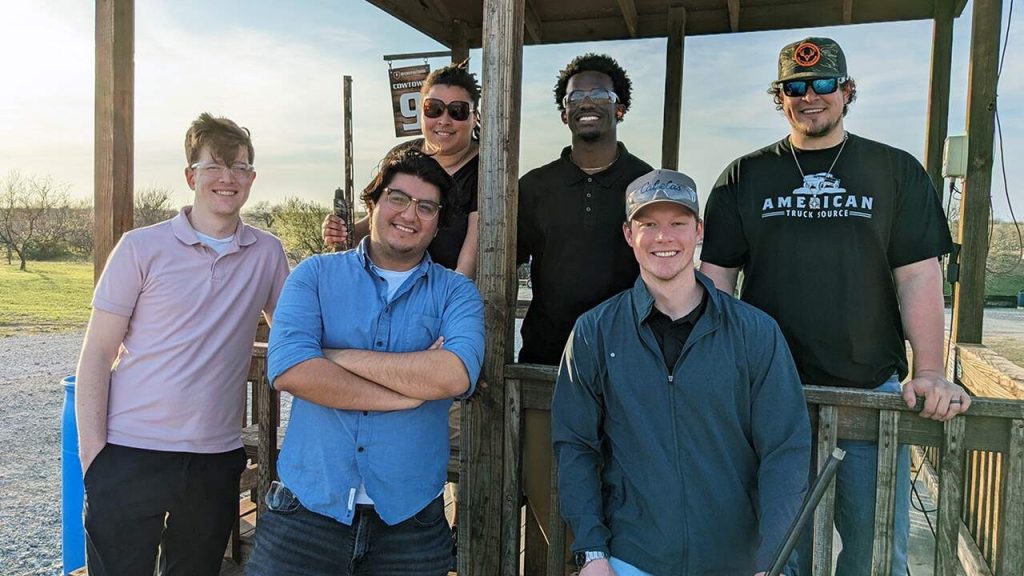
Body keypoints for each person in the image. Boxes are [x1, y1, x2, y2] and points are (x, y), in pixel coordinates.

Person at [700, 37, 968, 575]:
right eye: (795, 87)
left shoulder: (895, 171)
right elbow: (714, 286)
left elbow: (918, 276)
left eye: (824, 84)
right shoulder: (743, 177)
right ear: (780, 98)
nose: (810, 96)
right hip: (770, 401)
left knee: (874, 556)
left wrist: (932, 371)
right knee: (777, 554)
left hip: (869, 395)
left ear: (847, 92)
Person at [552, 168, 810, 576]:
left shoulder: (755, 332)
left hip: (738, 564)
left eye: (678, 223)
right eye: (648, 224)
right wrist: (592, 552)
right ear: (627, 234)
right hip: (630, 560)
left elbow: (785, 450)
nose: (663, 237)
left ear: (699, 231)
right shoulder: (594, 332)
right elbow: (575, 446)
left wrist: (772, 560)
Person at [247, 146, 485, 575]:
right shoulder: (314, 275)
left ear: (437, 224)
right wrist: (407, 393)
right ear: (373, 203)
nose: (409, 215)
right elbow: (290, 368)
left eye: (426, 207)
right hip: (307, 513)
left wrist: (333, 355)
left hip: (409, 523)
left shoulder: (456, 292)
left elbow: (454, 374)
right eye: (398, 198)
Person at [75, 113, 290, 576]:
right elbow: (96, 354)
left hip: (214, 459)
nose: (227, 179)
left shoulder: (267, 253)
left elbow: (296, 332)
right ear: (191, 175)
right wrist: (94, 461)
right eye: (215, 166)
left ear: (252, 178)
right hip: (129, 451)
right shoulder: (140, 248)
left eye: (240, 167)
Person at [517, 53, 654, 565]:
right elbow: (496, 263)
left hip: (631, 373)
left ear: (620, 109)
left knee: (622, 503)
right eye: (576, 96)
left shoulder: (647, 184)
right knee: (544, 501)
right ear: (564, 113)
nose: (588, 103)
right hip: (544, 368)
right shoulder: (534, 187)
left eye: (601, 95)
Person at [324, 60, 480, 278]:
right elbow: (374, 223)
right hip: (385, 288)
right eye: (433, 109)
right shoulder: (402, 155)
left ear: (475, 117)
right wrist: (341, 232)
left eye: (457, 111)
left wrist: (449, 305)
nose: (444, 120)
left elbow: (467, 265)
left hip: (443, 301)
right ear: (421, 112)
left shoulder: (487, 172)